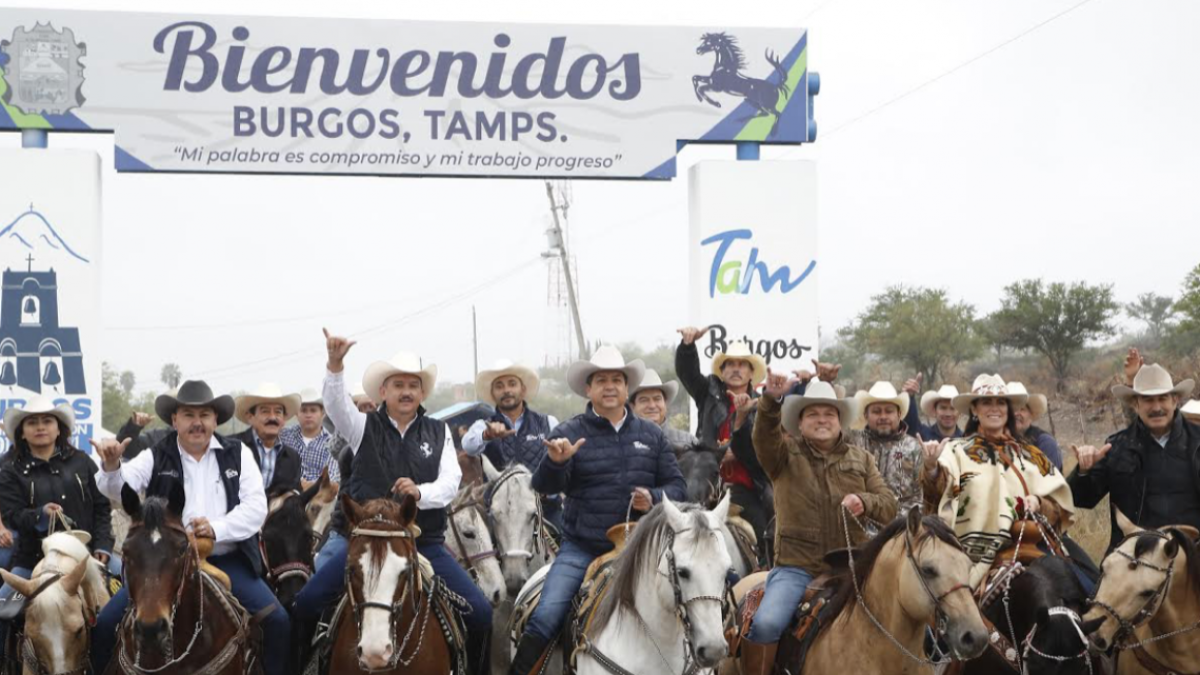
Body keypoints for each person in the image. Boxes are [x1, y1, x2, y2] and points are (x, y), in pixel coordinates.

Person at [292, 332, 492, 675]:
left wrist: (419, 492)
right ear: (382, 392)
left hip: (424, 542)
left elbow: (450, 482)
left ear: (422, 392)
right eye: (397, 384)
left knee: (481, 612)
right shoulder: (361, 426)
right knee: (306, 603)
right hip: (365, 541)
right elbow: (336, 404)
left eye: (413, 385)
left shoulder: (438, 431)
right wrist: (335, 365)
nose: (406, 391)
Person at [509, 345, 687, 675]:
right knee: (546, 616)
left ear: (626, 387)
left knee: (699, 600)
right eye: (601, 380)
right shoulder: (568, 433)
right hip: (583, 549)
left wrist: (655, 496)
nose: (610, 386)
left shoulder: (652, 435)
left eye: (617, 379)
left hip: (645, 549)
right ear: (588, 389)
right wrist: (555, 462)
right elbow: (543, 486)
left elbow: (679, 488)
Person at [90, 380, 288, 675]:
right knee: (105, 624)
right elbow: (119, 489)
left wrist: (217, 528)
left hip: (226, 558)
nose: (197, 423)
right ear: (174, 420)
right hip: (162, 563)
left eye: (204, 415)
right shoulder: (156, 454)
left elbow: (256, 508)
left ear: (215, 419)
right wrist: (111, 466)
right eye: (188, 415)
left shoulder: (238, 453)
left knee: (278, 621)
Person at [739, 373, 897, 673]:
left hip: (856, 566)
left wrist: (866, 502)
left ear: (840, 421)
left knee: (920, 623)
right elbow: (763, 436)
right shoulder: (782, 455)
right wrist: (770, 401)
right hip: (797, 567)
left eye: (829, 413)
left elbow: (889, 506)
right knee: (766, 624)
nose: (821, 419)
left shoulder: (861, 459)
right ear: (799, 422)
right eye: (812, 414)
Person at [921, 374, 1077, 589]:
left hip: (1027, 550)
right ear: (975, 410)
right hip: (965, 558)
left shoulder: (1031, 456)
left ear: (1008, 409)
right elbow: (937, 495)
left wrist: (1040, 503)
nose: (994, 408)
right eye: (986, 402)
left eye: (1000, 402)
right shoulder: (954, 451)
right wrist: (931, 468)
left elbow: (1059, 508)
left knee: (1084, 585)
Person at [0, 396, 114, 659]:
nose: (40, 427)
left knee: (128, 597)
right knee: (4, 612)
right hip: (31, 561)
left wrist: (104, 547)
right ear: (22, 432)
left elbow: (101, 507)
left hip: (86, 558)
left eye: (47, 421)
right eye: (33, 422)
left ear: (58, 428)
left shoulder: (82, 461)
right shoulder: (10, 470)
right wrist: (40, 515)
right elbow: (13, 515)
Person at [1068, 363, 1200, 551]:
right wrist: (1084, 470)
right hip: (1134, 555)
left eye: (1162, 399)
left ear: (1175, 400)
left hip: (1193, 554)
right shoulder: (1116, 447)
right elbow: (1080, 499)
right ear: (1135, 404)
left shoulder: (1197, 442)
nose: (1156, 407)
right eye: (1148, 400)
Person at [675, 329, 770, 556]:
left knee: (765, 523)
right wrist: (687, 347)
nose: (736, 369)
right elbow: (687, 373)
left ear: (750, 373)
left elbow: (767, 446)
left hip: (746, 485)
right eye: (730, 364)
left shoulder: (763, 405)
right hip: (703, 482)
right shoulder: (707, 391)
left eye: (742, 364)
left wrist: (737, 450)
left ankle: (769, 571)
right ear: (722, 371)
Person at [462, 360, 561, 529]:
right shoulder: (483, 425)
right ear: (493, 394)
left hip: (545, 510)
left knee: (566, 546)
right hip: (500, 513)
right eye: (499, 386)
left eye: (512, 384)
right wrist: (487, 435)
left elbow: (562, 465)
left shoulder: (548, 422)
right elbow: (468, 446)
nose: (506, 390)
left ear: (522, 390)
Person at [846, 381, 925, 518]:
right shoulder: (852, 444)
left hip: (902, 530)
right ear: (866, 415)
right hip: (859, 527)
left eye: (889, 411)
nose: (883, 417)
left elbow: (919, 497)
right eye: (876, 411)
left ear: (899, 414)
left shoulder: (913, 447)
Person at [232, 384, 304, 497]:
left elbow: (296, 495)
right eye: (265, 411)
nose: (272, 417)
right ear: (250, 417)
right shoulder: (232, 448)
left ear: (284, 419)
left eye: (278, 412)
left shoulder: (292, 458)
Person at [630, 368, 698, 456]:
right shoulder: (620, 444)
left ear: (665, 403)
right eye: (644, 400)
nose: (652, 405)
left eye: (657, 399)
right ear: (632, 407)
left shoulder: (688, 442)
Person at [280, 388, 341, 486]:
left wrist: (307, 486)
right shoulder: (284, 435)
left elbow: (331, 478)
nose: (308, 415)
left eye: (313, 410)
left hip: (318, 496)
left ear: (322, 414)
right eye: (303, 410)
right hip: (287, 493)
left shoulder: (331, 443)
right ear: (296, 414)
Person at [1007, 382, 1062, 470]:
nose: (1016, 413)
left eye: (1022, 409)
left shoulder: (1044, 443)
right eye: (1012, 409)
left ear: (1031, 414)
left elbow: (1051, 480)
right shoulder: (995, 442)